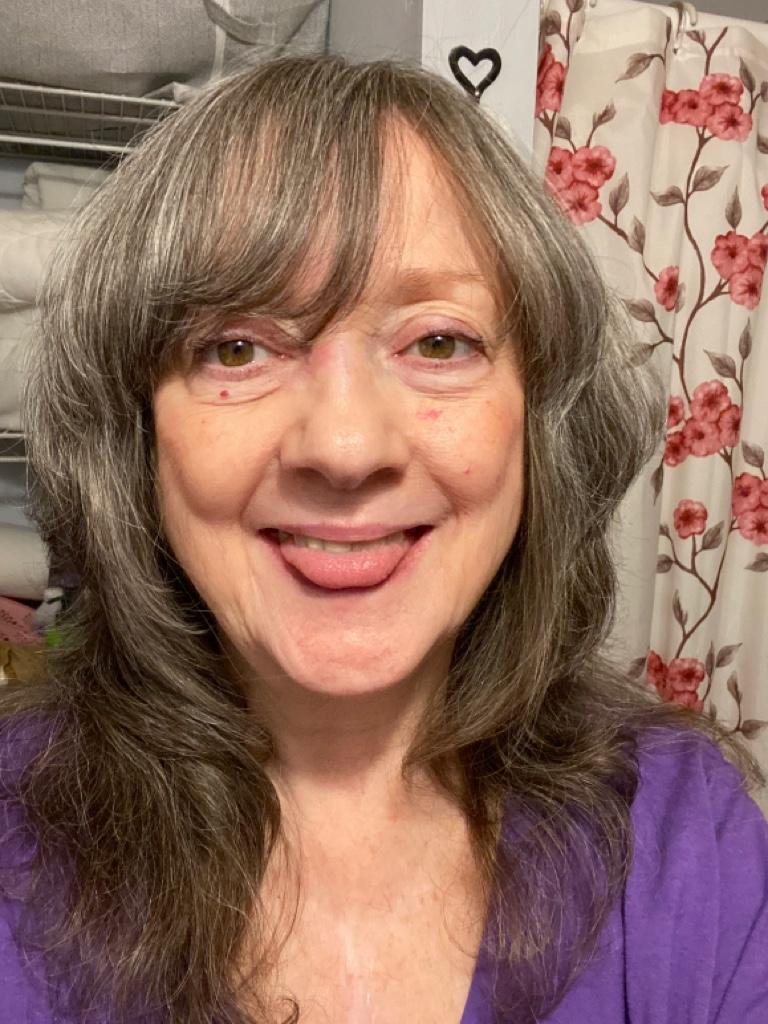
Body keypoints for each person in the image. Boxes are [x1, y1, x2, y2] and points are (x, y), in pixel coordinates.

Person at [0, 53, 766, 1024]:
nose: (346, 446)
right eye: (237, 346)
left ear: (539, 424)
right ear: (137, 436)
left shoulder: (682, 840)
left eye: (438, 341)